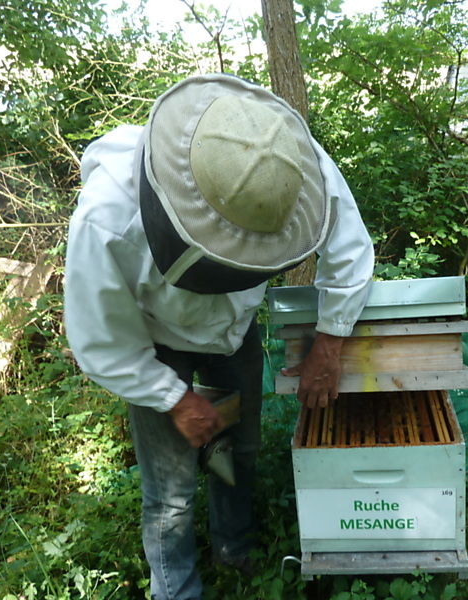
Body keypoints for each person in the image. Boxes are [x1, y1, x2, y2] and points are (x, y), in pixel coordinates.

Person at [63, 73, 374, 600]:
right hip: (155, 343)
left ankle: (235, 548)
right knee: (171, 493)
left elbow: (348, 246)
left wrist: (331, 339)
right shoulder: (106, 219)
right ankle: (177, 589)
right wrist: (174, 398)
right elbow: (103, 342)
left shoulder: (280, 153)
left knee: (238, 447)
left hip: (236, 333)